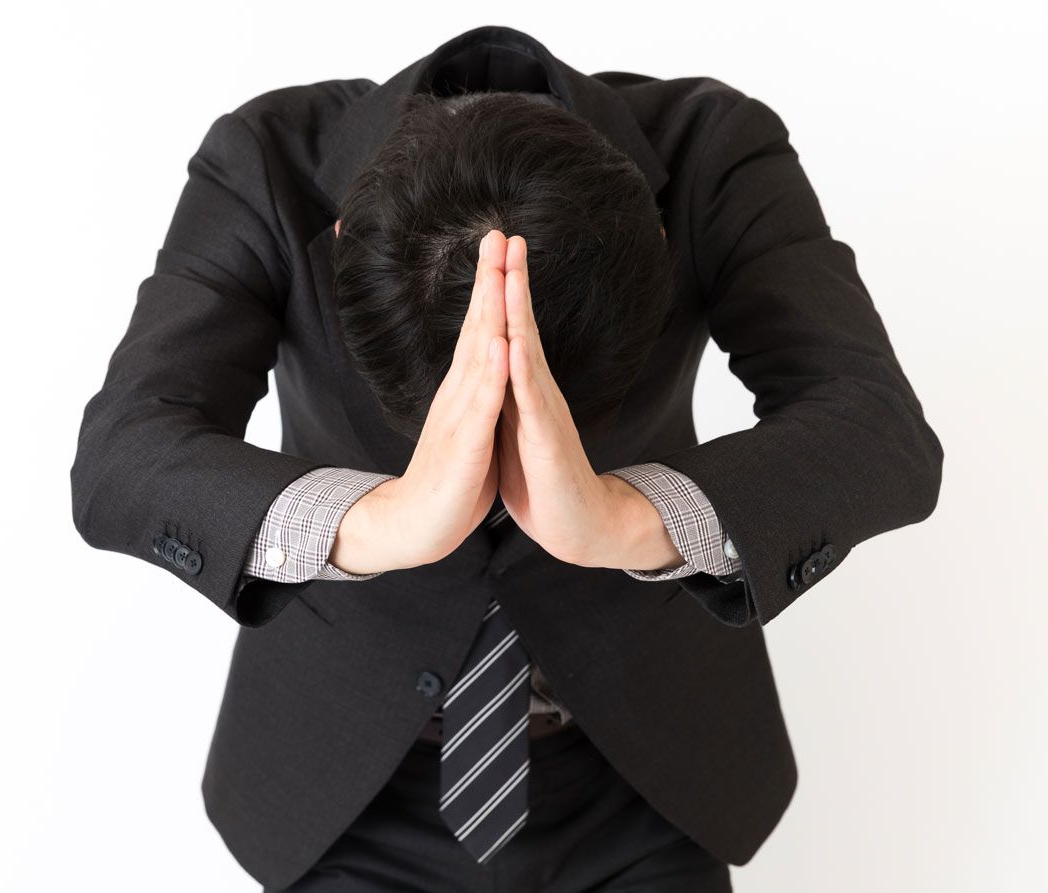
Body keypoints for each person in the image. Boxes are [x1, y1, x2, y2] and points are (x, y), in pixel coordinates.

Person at [70, 23, 943, 892]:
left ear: (654, 248)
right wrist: (382, 522)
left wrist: (624, 518)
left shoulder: (714, 150)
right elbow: (124, 452)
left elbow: (880, 431)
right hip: (345, 787)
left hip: (644, 777)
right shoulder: (264, 158)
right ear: (344, 242)